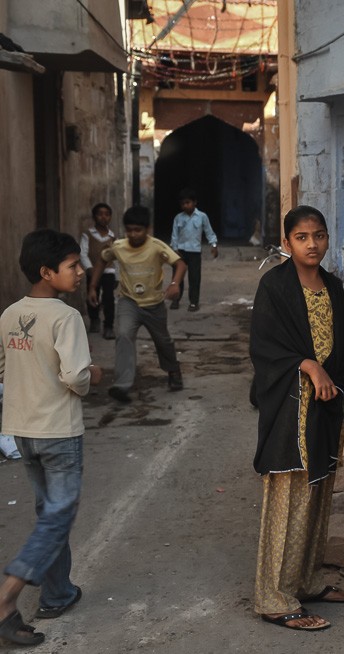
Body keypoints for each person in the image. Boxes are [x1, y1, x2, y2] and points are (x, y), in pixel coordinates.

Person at [250, 205, 344, 631]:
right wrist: (308, 366)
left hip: (322, 413)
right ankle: (273, 597)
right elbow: (265, 348)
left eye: (320, 235)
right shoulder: (274, 286)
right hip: (290, 410)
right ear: (288, 241)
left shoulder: (331, 284)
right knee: (288, 498)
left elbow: (343, 350)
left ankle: (307, 581)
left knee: (316, 496)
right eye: (303, 237)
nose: (313, 244)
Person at [0, 230, 103, 647]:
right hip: (58, 432)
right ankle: (6, 599)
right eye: (72, 266)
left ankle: (57, 593)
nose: (80, 272)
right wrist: (93, 375)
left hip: (23, 429)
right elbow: (76, 376)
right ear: (47, 272)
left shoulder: (9, 314)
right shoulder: (65, 317)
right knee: (58, 515)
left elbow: (4, 370)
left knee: (49, 511)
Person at [88, 206, 186, 403]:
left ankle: (173, 370)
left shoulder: (157, 246)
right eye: (129, 229)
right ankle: (122, 385)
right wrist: (93, 286)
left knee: (163, 341)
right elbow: (101, 260)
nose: (133, 234)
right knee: (123, 335)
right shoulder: (118, 247)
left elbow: (180, 264)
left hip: (154, 304)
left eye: (138, 230)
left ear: (147, 229)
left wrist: (174, 284)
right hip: (128, 302)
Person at [169, 187, 218, 312]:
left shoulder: (202, 217)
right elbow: (174, 235)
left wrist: (213, 245)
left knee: (194, 278)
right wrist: (174, 249)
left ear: (194, 202)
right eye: (183, 204)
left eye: (188, 203)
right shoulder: (178, 218)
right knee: (177, 277)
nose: (185, 206)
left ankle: (194, 302)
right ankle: (176, 299)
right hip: (180, 251)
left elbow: (209, 232)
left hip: (195, 252)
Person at [79, 202, 117, 339]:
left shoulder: (112, 237)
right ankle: (94, 319)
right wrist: (89, 268)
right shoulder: (88, 234)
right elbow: (83, 253)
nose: (104, 217)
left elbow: (116, 257)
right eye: (100, 214)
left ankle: (108, 326)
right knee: (92, 295)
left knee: (109, 298)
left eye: (107, 214)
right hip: (92, 271)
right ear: (94, 217)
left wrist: (117, 276)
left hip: (108, 272)